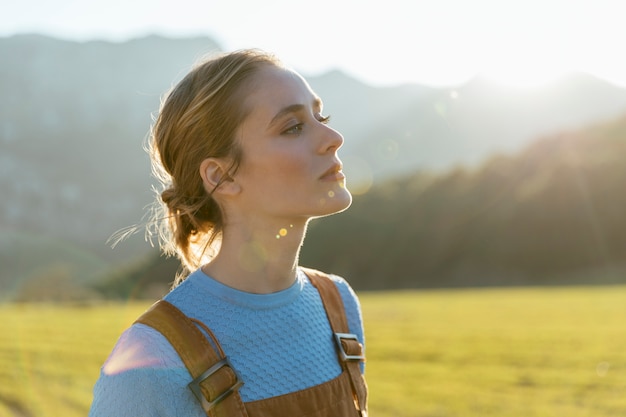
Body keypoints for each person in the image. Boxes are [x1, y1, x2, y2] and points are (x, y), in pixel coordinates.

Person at [89, 49, 368, 416]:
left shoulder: (339, 306)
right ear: (222, 177)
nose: (333, 137)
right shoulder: (149, 363)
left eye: (321, 116)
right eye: (293, 127)